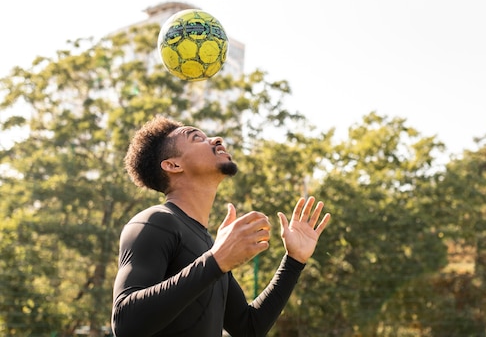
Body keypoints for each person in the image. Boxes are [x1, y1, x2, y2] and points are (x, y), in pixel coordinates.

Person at [111, 116, 331, 336]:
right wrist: (216, 260)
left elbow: (249, 328)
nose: (217, 139)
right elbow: (125, 322)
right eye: (197, 138)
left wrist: (294, 261)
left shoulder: (211, 247)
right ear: (173, 165)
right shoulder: (154, 222)